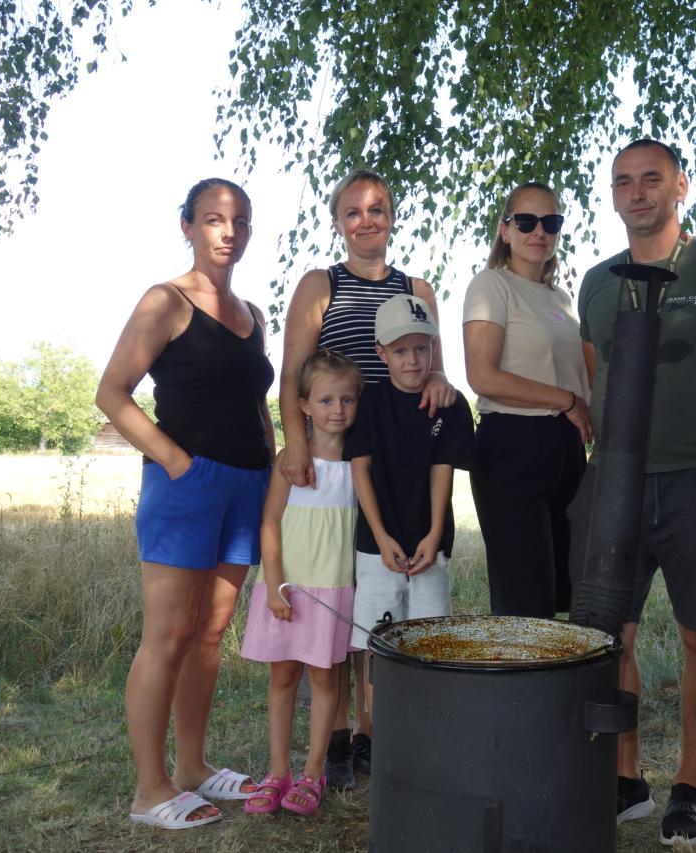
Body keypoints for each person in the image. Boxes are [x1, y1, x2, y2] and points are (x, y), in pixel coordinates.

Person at [568, 138, 696, 847]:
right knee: (607, 634)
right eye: (624, 181)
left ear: (680, 186)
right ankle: (627, 778)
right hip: (612, 482)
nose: (637, 192)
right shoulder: (596, 282)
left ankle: (690, 785)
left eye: (652, 179)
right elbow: (598, 374)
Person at [96, 178, 271, 829]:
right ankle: (150, 789)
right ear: (188, 226)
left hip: (247, 485)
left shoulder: (253, 314)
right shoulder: (164, 301)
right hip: (185, 485)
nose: (229, 231)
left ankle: (193, 766)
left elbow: (256, 404)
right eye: (214, 218)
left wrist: (272, 465)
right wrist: (175, 461)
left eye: (240, 221)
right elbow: (112, 392)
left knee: (209, 635)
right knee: (168, 635)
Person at [276, 168, 456, 787]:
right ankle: (334, 734)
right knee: (336, 599)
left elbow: (436, 370)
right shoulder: (320, 284)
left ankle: (374, 732)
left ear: (392, 218)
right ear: (338, 222)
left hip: (397, 470)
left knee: (377, 601)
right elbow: (293, 371)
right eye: (352, 211)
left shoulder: (417, 289)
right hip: (332, 462)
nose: (365, 220)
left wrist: (441, 382)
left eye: (376, 209)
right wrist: (295, 443)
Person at [240, 351, 363, 817]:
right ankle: (278, 772)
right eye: (326, 400)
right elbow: (270, 522)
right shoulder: (291, 461)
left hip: (333, 587)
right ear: (305, 406)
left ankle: (313, 773)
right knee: (283, 675)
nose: (338, 410)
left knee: (325, 677)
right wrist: (274, 585)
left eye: (347, 399)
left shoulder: (358, 462)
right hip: (287, 588)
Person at [344, 294, 474, 734]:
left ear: (434, 348)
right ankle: (381, 733)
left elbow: (443, 470)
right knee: (378, 644)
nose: (413, 360)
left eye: (422, 348)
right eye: (400, 350)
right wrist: (380, 537)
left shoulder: (450, 405)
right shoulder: (369, 402)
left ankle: (426, 732)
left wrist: (434, 533)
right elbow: (359, 469)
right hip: (376, 546)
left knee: (430, 640)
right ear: (381, 353)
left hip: (428, 546)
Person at [463, 182, 593, 618]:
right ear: (505, 230)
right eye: (526, 221)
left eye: (550, 222)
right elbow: (483, 377)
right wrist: (567, 400)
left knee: (567, 594)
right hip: (513, 446)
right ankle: (517, 668)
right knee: (526, 603)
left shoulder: (561, 299)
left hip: (566, 448)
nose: (539, 231)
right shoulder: (491, 285)